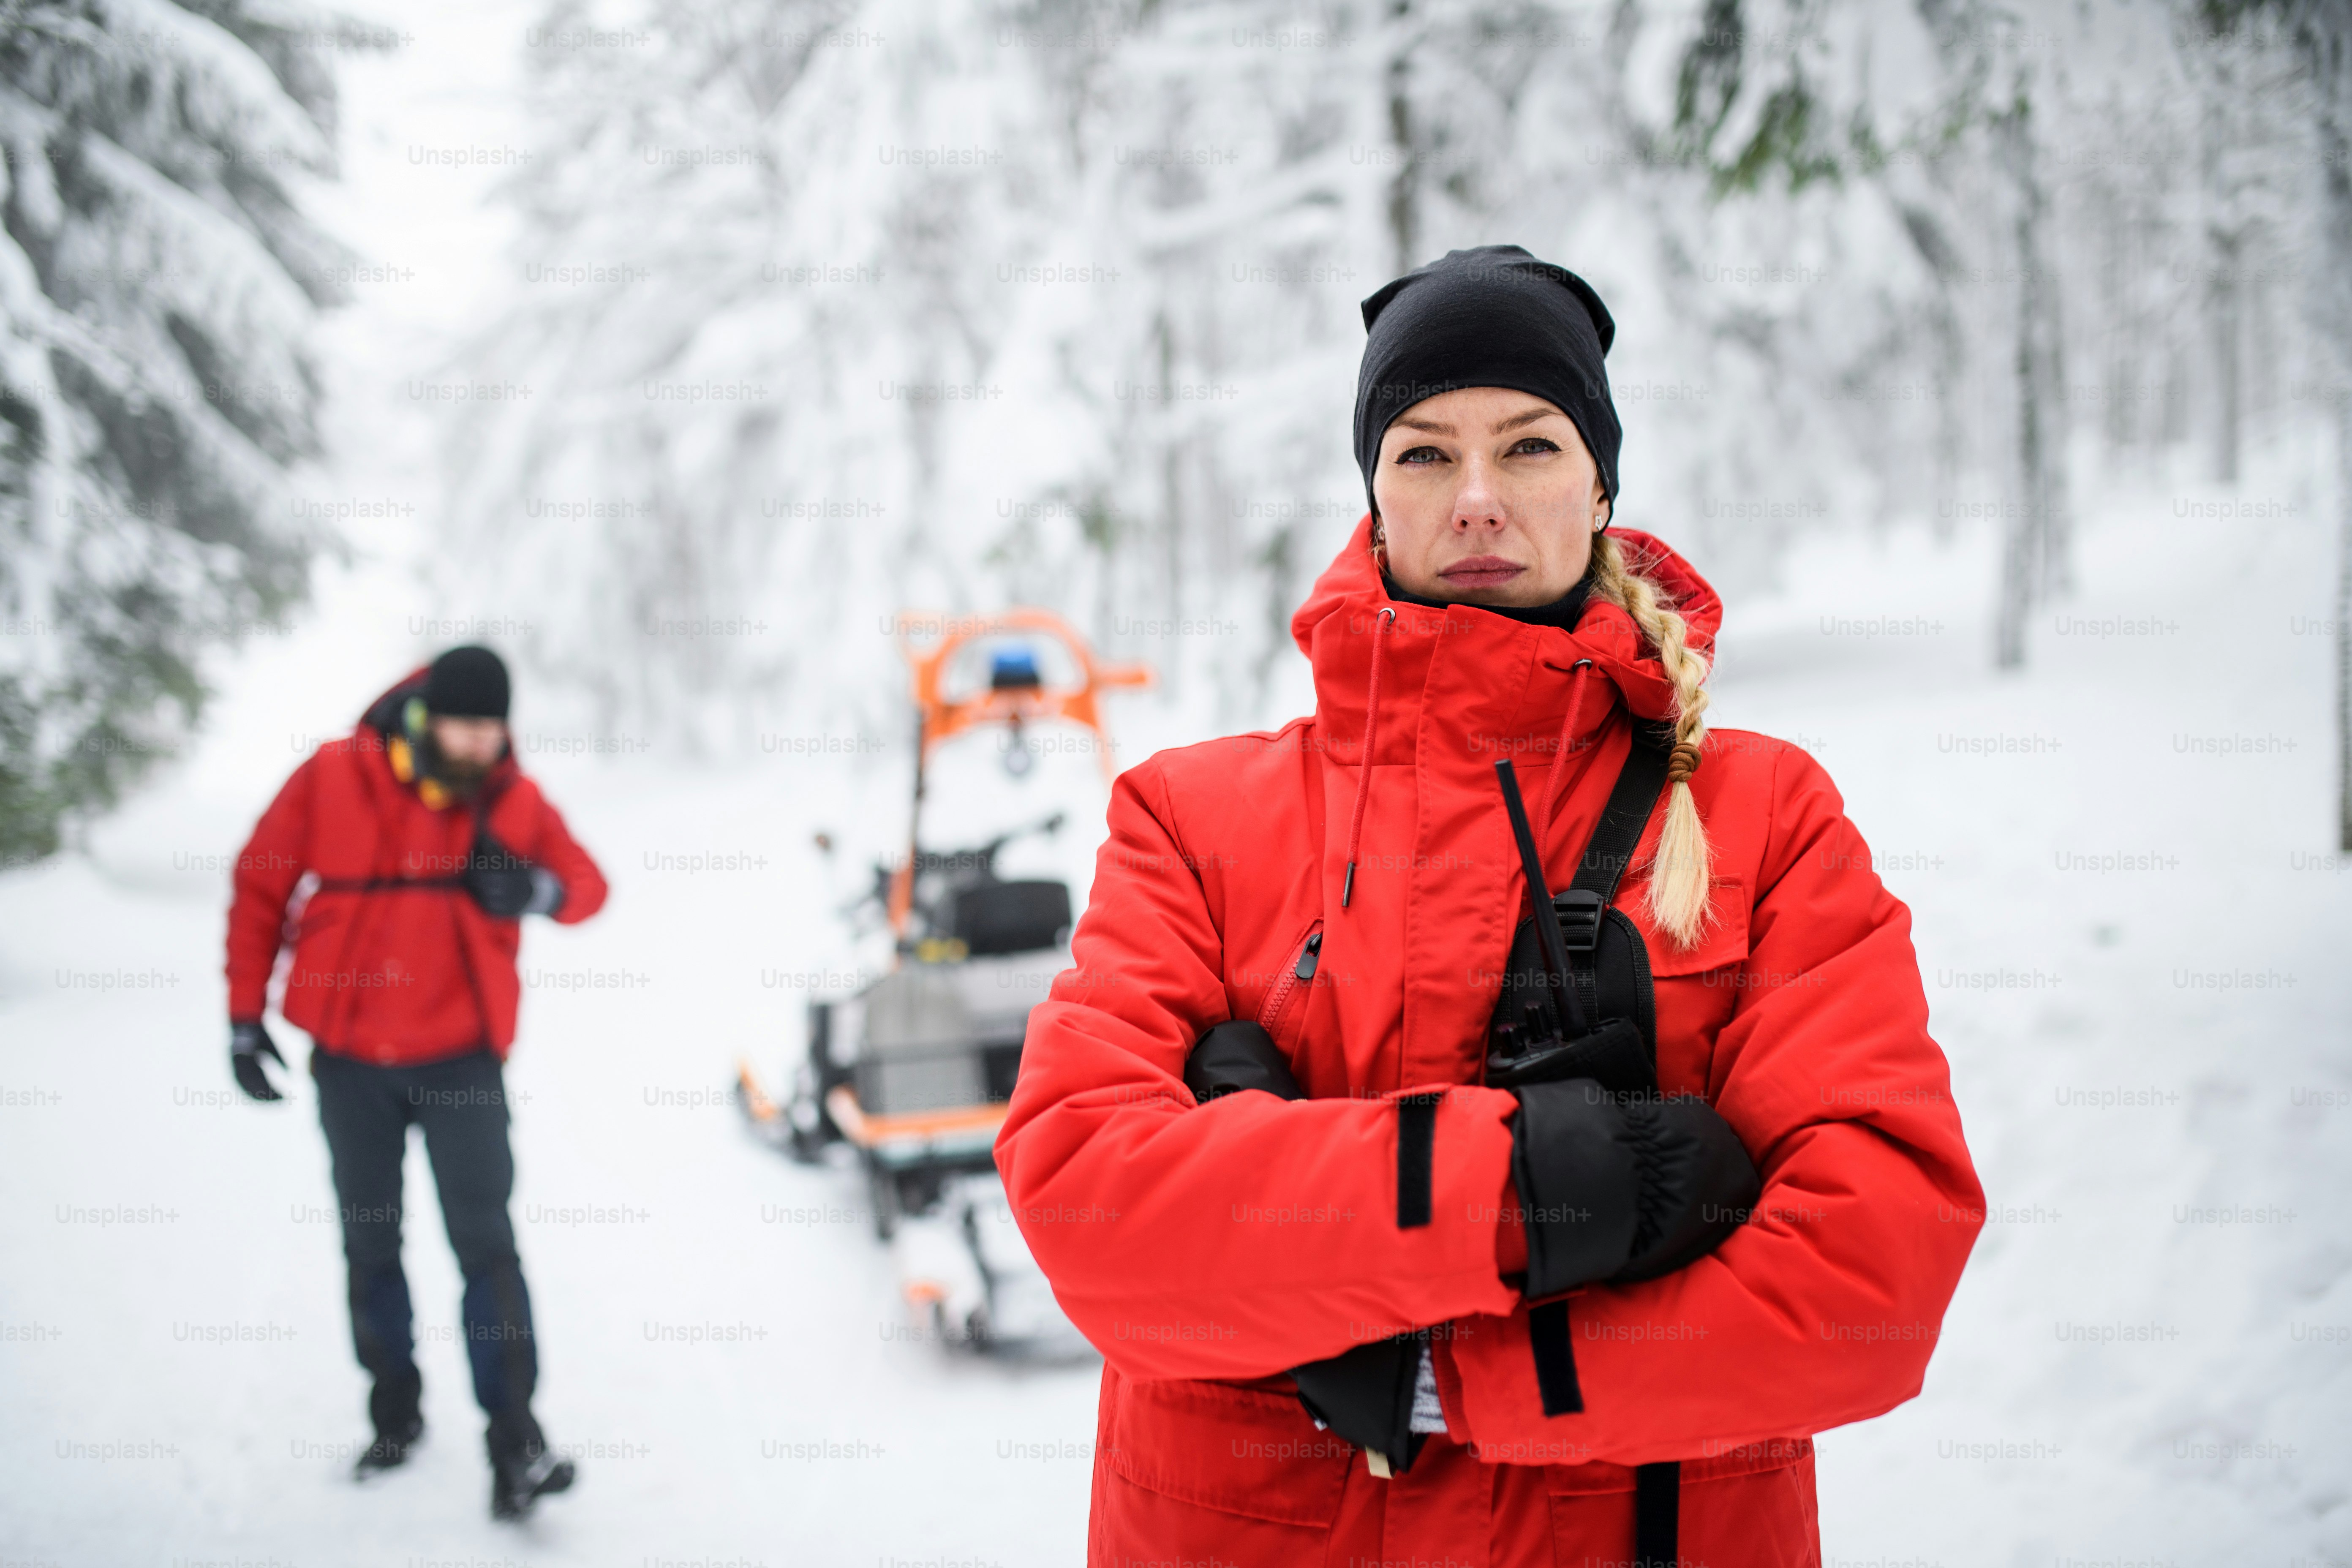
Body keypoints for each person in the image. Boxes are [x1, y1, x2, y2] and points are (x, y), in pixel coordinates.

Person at [995, 246, 1985, 1565]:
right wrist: (1538, 1189)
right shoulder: (1192, 820)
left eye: (1528, 447)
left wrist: (1446, 1379)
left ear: (1599, 485)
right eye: (1421, 452)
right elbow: (1096, 1211)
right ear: (1372, 493)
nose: (1475, 500)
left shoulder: (1765, 818)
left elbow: (1876, 1267)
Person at [223, 644, 608, 1521]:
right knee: (372, 1239)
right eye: (467, 727)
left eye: (495, 729)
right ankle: (393, 1406)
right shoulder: (333, 776)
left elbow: (589, 888)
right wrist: (245, 1017)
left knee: (486, 1244)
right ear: (427, 717)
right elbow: (259, 886)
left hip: (462, 1057)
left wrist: (533, 890)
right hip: (351, 1060)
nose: (483, 746)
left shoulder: (512, 797)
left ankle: (516, 1438)